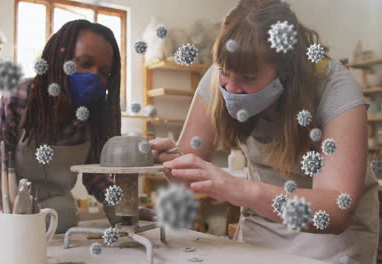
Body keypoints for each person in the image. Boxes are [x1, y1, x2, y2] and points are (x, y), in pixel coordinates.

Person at [150, 0, 378, 263]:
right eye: (225, 73)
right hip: (263, 222)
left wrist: (239, 189)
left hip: (329, 238)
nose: (232, 89)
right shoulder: (221, 75)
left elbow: (335, 212)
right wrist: (170, 162)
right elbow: (187, 176)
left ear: (284, 69)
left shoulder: (334, 88)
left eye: (247, 78)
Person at [0, 19, 154, 233]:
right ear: (60, 58)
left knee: (62, 213)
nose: (94, 75)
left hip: (59, 215)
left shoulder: (95, 115)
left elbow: (95, 175)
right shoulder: (19, 98)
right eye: (84, 63)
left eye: (104, 72)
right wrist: (8, 215)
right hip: (12, 209)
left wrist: (122, 207)